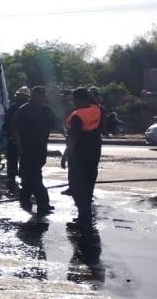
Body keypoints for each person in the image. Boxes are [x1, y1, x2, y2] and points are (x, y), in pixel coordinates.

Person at [12, 86, 59, 215]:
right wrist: (19, 146)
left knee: (30, 174)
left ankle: (24, 197)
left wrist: (65, 132)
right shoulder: (24, 110)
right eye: (37, 95)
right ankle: (43, 203)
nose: (40, 97)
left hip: (41, 147)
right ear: (32, 96)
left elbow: (56, 123)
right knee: (35, 175)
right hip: (28, 147)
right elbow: (15, 129)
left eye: (42, 95)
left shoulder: (46, 110)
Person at [61, 88, 104, 229]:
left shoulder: (77, 116)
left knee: (76, 188)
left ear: (77, 99)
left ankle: (83, 219)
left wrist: (65, 155)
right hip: (94, 152)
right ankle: (86, 218)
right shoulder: (97, 109)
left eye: (73, 99)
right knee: (88, 186)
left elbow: (73, 139)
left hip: (79, 156)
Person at [2, 86, 30, 187]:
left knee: (12, 158)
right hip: (25, 139)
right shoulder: (30, 108)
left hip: (14, 138)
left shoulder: (13, 108)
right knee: (24, 159)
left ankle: (11, 177)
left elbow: (7, 123)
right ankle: (23, 177)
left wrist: (5, 134)